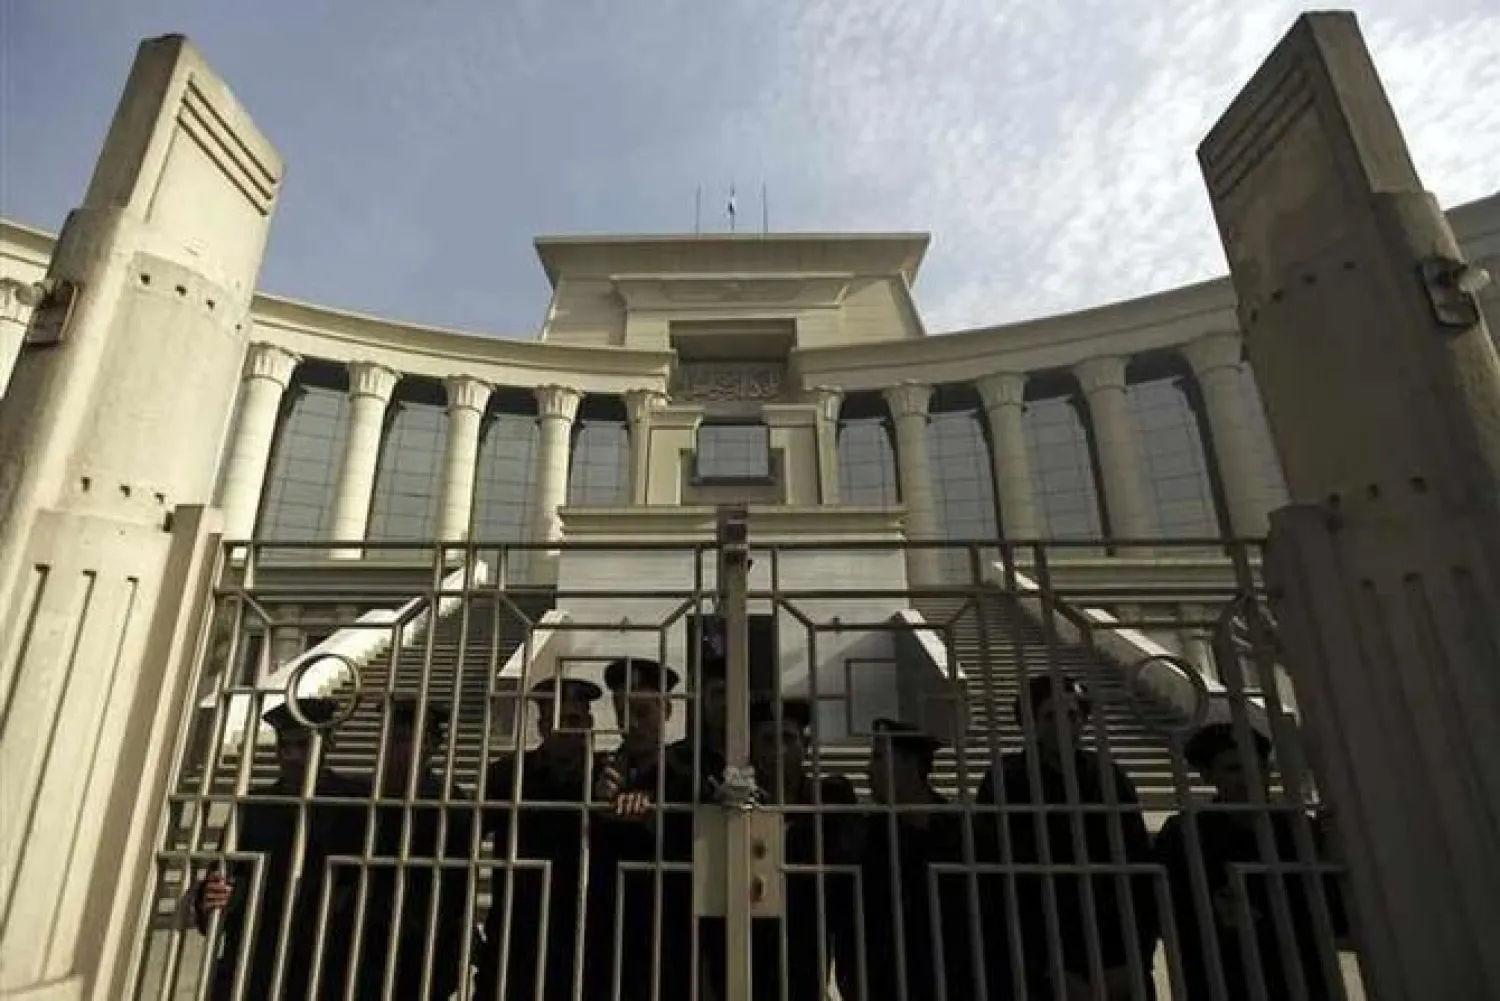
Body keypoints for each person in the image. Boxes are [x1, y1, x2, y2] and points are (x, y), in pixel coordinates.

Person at [975, 676, 1158, 1001]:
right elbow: (996, 875)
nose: (1064, 726)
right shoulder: (1007, 779)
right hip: (1039, 950)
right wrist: (1043, 965)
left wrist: (1136, 957)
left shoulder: (1108, 776)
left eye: (1073, 716)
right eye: (1050, 717)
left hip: (1114, 946)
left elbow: (1137, 867)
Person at [1154, 722, 1350, 1001]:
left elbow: (1335, 911)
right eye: (1234, 769)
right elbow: (1167, 912)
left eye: (1257, 766)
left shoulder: (1301, 831)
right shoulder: (1186, 835)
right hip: (1220, 979)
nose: (1250, 777)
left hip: (1301, 978)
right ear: (1207, 775)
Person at [190, 698, 368, 1000]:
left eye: (302, 746)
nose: (292, 756)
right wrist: (213, 898)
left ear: (329, 744)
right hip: (256, 958)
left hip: (328, 963)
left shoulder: (358, 805)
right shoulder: (255, 808)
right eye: (284, 747)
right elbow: (220, 881)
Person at [476, 677, 605, 1001]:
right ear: (542, 725)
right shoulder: (509, 774)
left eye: (574, 720)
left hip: (585, 937)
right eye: (557, 721)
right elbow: (464, 842)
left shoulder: (606, 776)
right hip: (515, 931)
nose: (565, 730)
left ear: (589, 724)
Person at [842, 718, 977, 1001]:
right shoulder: (868, 837)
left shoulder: (962, 834)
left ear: (909, 764)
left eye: (879, 757)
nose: (869, 770)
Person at [591, 657, 700, 1001]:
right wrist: (596, 808)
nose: (632, 724)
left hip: (669, 932)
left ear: (666, 710)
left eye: (643, 712)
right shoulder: (598, 771)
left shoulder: (688, 775)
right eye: (624, 712)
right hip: (606, 931)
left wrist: (652, 818)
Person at [355, 697, 474, 1000]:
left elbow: (457, 884)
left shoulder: (450, 803)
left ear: (431, 747)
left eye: (408, 739)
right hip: (361, 942)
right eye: (392, 737)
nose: (397, 748)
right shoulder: (358, 797)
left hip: (425, 945)